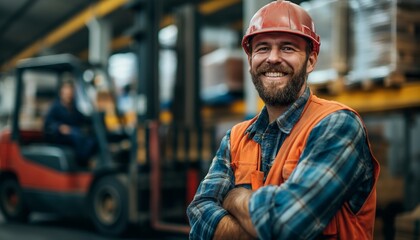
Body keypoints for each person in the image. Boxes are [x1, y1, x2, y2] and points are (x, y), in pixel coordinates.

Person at [187, 1, 379, 239]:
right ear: (250, 60)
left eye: (287, 48)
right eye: (262, 48)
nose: (273, 58)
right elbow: (199, 217)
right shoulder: (236, 138)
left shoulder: (337, 125)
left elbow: (287, 226)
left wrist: (234, 197)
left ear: (311, 60)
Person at [44, 80, 97, 166]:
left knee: (91, 138)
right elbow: (49, 125)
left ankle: (87, 160)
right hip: (60, 137)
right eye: (67, 93)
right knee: (76, 135)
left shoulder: (73, 108)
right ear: (62, 93)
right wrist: (60, 127)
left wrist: (95, 117)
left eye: (71, 93)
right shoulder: (55, 108)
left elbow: (82, 118)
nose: (70, 95)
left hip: (74, 133)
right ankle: (82, 161)